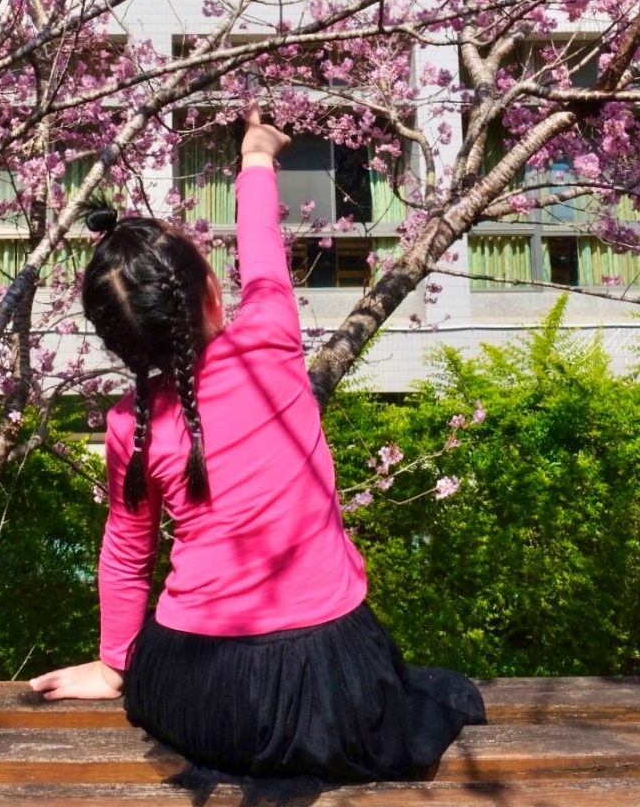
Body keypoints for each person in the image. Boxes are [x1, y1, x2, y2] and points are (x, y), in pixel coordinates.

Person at [30, 106, 485, 781]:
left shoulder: (133, 424)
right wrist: (256, 156)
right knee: (422, 691)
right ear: (215, 292)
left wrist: (114, 664)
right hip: (331, 691)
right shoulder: (269, 340)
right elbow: (264, 252)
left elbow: (126, 555)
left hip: (200, 698)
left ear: (120, 343)